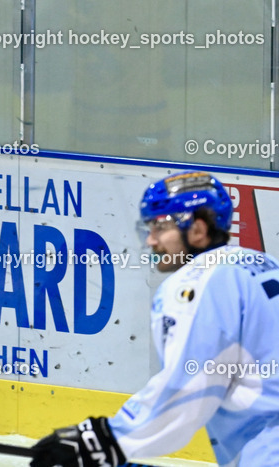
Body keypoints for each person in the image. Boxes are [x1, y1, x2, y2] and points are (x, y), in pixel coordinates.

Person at [30, 170, 279, 467]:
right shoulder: (263, 263)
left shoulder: (196, 284)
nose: (150, 240)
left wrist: (106, 439)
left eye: (161, 227)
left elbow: (189, 386)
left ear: (198, 230)